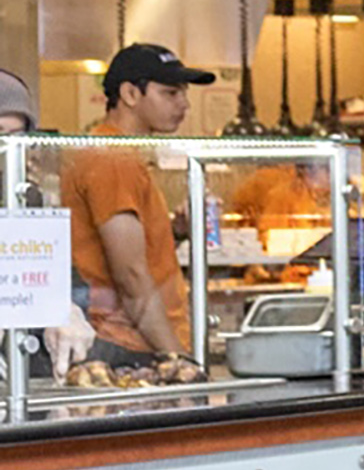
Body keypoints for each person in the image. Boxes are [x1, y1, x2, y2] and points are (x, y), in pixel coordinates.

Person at [60, 44, 213, 379]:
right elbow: (131, 277)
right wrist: (178, 359)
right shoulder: (114, 160)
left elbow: (119, 246)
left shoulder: (120, 154)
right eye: (170, 93)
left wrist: (174, 231)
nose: (184, 104)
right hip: (127, 345)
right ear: (130, 93)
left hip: (131, 342)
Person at [0, 68, 97, 383]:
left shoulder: (23, 197)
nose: (8, 151)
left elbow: (47, 275)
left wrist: (62, 309)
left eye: (18, 139)